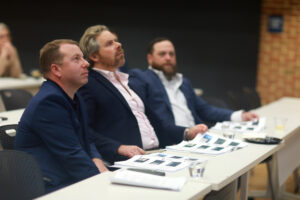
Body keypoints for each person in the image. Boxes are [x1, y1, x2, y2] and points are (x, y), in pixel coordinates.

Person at [78, 25, 208, 163]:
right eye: (110, 44)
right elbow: (84, 130)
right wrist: (118, 148)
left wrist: (187, 133)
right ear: (94, 56)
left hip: (156, 154)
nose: (118, 45)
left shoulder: (129, 82)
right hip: (126, 162)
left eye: (116, 40)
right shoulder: (88, 85)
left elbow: (157, 125)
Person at [15, 39, 108, 193]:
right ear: (56, 70)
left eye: (83, 57)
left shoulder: (73, 96)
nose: (86, 63)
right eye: (76, 59)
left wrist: (97, 160)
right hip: (53, 186)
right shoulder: (49, 102)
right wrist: (103, 183)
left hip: (70, 176)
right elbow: (71, 155)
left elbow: (86, 139)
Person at [129, 37, 258, 129]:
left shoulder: (183, 82)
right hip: (172, 141)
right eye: (162, 54)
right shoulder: (142, 79)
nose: (168, 58)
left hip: (198, 137)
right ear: (150, 58)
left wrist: (239, 115)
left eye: (171, 54)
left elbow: (205, 110)